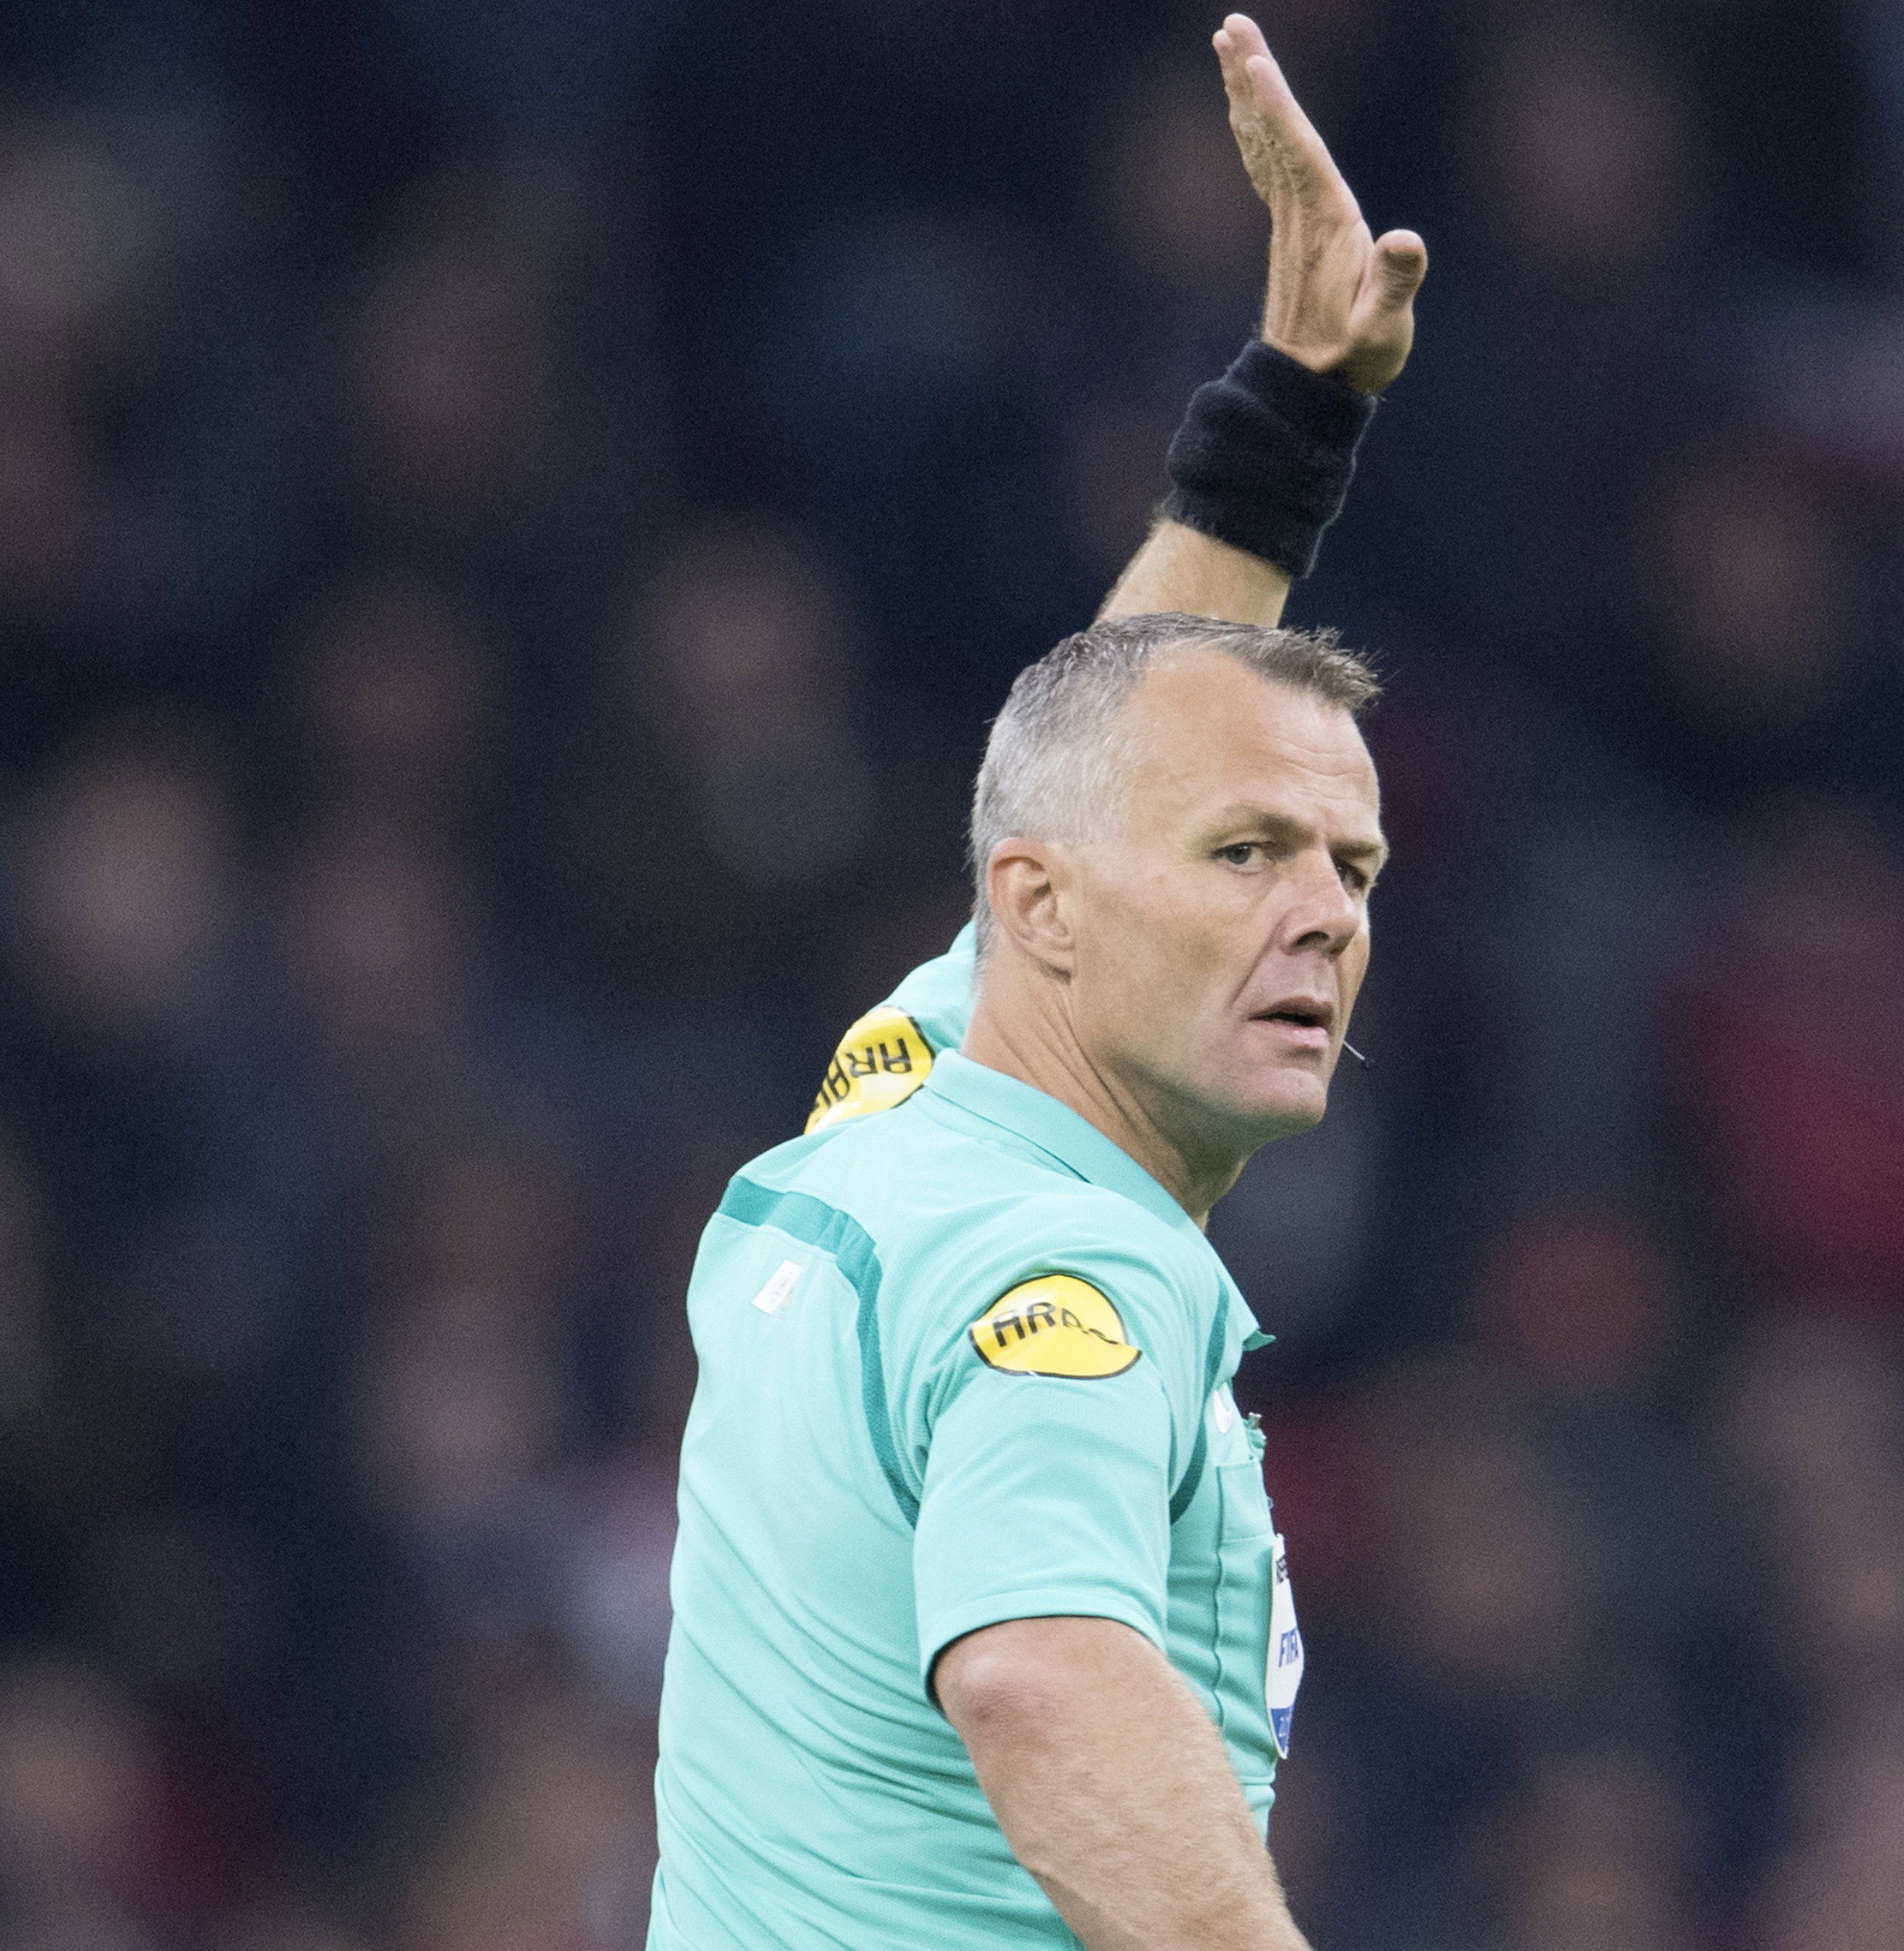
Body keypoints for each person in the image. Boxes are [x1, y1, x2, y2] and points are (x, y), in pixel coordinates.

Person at [648, 15, 1424, 1948]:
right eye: (1247, 856)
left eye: (1348, 867)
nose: (1322, 915)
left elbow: (1105, 759)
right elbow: (1039, 1671)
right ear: (1046, 910)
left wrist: (1284, 423)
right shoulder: (1067, 1272)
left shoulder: (905, 1092)